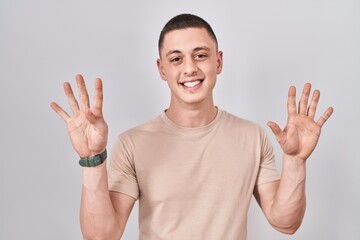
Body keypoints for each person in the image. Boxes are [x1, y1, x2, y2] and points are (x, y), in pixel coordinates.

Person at [50, 13, 333, 240]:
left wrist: (295, 161)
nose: (189, 69)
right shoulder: (132, 143)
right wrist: (92, 159)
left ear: (218, 61)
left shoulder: (253, 137)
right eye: (176, 59)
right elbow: (101, 236)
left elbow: (286, 223)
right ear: (162, 69)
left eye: (200, 55)